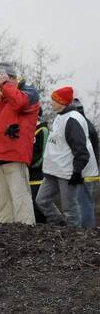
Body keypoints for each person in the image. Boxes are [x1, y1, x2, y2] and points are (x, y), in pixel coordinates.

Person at [0, 62, 40, 224]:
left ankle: (27, 234)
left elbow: (20, 103)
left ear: (11, 78)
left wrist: (6, 84)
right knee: (3, 204)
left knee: (20, 200)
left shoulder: (29, 92)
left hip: (15, 156)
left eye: (0, 80)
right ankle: (6, 239)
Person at [36, 86, 98, 227]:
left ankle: (74, 238)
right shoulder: (59, 117)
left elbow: (81, 150)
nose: (51, 103)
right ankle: (59, 224)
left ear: (62, 102)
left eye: (54, 100)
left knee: (70, 209)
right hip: (52, 171)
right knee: (42, 200)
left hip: (66, 172)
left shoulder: (72, 120)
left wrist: (77, 171)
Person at [68, 96, 98, 229]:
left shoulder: (81, 125)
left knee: (83, 200)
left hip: (84, 168)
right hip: (89, 167)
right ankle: (87, 229)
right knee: (85, 200)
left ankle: (86, 230)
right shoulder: (87, 123)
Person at [30, 110, 49, 224]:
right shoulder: (28, 130)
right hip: (27, 172)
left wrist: (31, 165)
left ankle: (43, 224)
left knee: (38, 202)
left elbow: (43, 154)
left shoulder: (43, 130)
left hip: (38, 172)